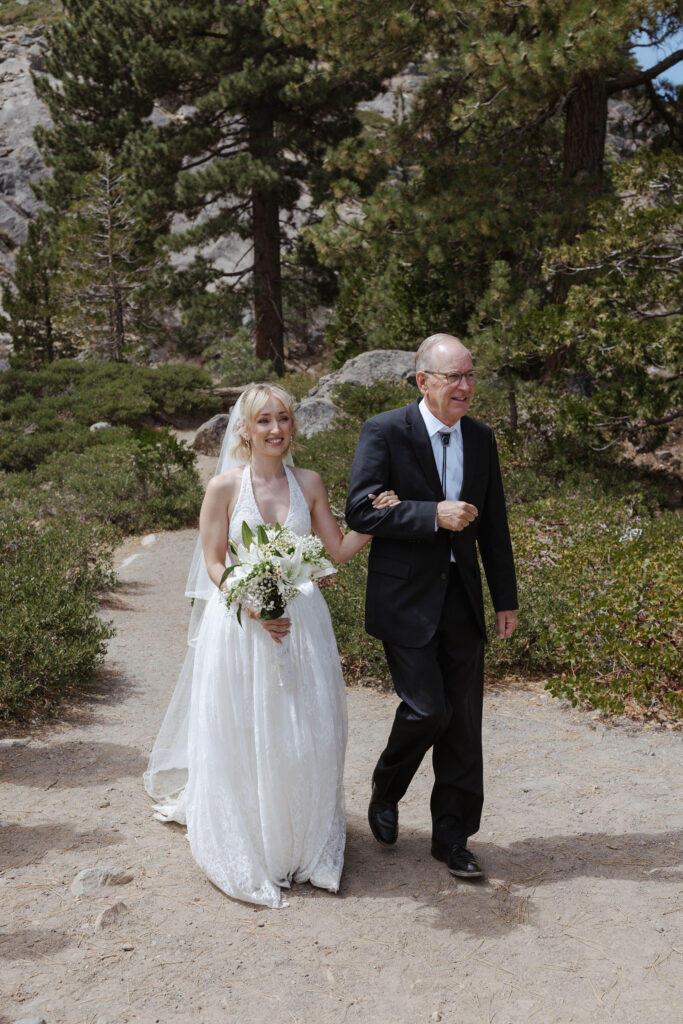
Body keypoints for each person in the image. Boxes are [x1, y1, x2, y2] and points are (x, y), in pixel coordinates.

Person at [144, 383, 397, 909]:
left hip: (302, 625)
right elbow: (214, 562)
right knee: (244, 729)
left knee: (305, 729)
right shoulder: (223, 488)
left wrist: (376, 518)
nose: (276, 429)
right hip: (240, 626)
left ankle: (299, 838)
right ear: (245, 429)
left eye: (283, 418)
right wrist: (253, 602)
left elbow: (336, 551)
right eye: (264, 421)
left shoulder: (309, 482)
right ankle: (255, 838)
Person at [345, 334, 518, 880]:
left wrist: (505, 599)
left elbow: (494, 526)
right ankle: (386, 788)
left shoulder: (483, 439)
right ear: (424, 381)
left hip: (463, 602)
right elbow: (360, 512)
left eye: (471, 375)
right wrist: (430, 515)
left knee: (464, 726)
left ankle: (453, 839)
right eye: (454, 377)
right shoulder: (385, 431)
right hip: (405, 600)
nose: (466, 387)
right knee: (428, 711)